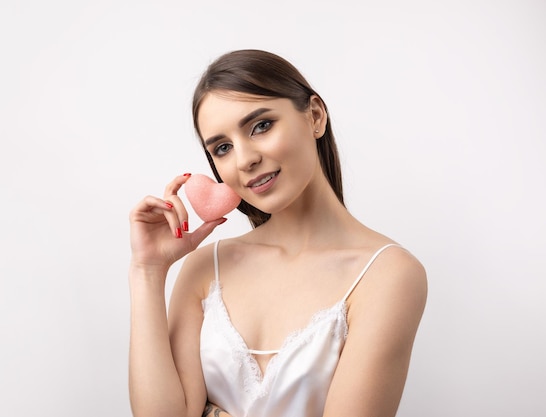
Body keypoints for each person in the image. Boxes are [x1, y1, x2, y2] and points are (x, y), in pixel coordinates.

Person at [128, 49, 427, 417]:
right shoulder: (206, 268)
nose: (244, 159)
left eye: (261, 126)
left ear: (315, 116)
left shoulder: (388, 274)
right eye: (223, 148)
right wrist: (148, 271)